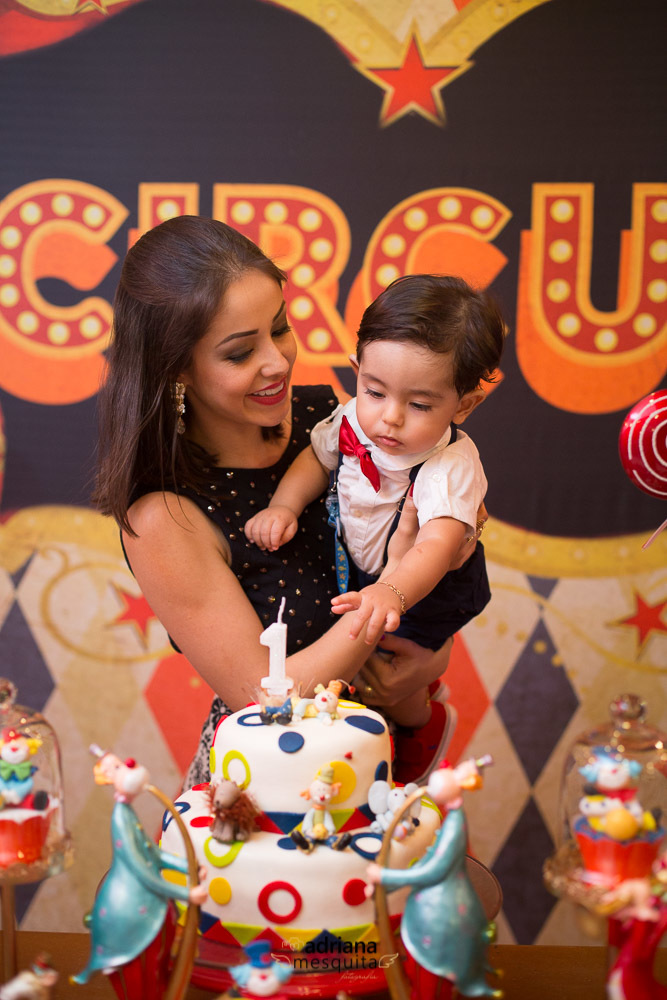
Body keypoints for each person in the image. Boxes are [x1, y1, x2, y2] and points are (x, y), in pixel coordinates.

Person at [94, 217, 480, 787]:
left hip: (383, 769)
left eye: (279, 328)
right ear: (176, 368)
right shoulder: (164, 517)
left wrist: (429, 655)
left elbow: (432, 573)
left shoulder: (331, 419)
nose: (276, 362)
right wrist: (389, 595)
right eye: (239, 353)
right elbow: (265, 700)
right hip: (266, 798)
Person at [244, 275, 504, 766]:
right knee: (361, 660)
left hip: (428, 586)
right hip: (368, 573)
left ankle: (420, 723)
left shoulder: (448, 465)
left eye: (419, 404)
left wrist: (394, 592)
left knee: (393, 666)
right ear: (357, 372)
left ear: (465, 405)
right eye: (376, 392)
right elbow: (316, 459)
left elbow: (437, 545)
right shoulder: (349, 420)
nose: (391, 418)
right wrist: (284, 506)